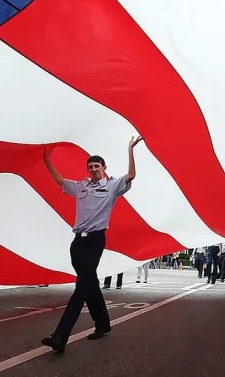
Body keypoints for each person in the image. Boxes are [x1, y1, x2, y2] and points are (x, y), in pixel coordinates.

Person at [40, 136, 143, 353]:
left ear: (104, 168)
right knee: (90, 284)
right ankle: (103, 324)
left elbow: (132, 175)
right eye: (90, 166)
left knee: (81, 288)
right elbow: (59, 180)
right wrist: (46, 159)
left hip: (96, 240)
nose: (94, 169)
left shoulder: (113, 185)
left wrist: (130, 149)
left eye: (97, 166)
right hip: (78, 241)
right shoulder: (80, 187)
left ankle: (60, 336)